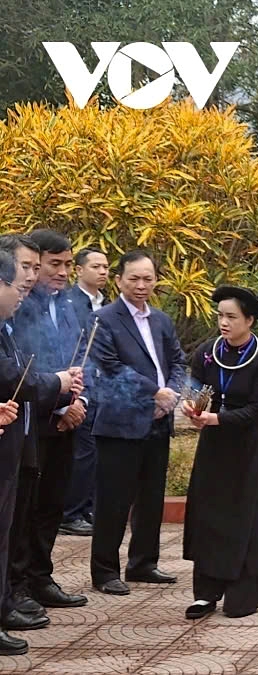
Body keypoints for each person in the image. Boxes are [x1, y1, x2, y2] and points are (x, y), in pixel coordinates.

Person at [87, 251, 188, 596]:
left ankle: (143, 563)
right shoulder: (104, 320)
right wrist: (154, 393)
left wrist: (172, 393)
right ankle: (104, 571)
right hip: (120, 423)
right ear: (118, 280)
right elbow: (111, 367)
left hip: (159, 421)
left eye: (148, 278)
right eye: (134, 278)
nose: (142, 285)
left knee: (151, 497)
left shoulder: (161, 320)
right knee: (113, 500)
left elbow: (177, 359)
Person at [181, 286, 258, 620]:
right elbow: (195, 389)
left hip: (248, 445)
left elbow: (256, 410)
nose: (223, 322)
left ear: (249, 320)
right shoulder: (208, 352)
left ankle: (244, 594)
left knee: (246, 518)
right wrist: (191, 410)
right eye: (220, 315)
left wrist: (216, 418)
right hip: (214, 445)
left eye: (231, 317)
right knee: (210, 514)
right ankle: (205, 593)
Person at [0, 249, 81, 654]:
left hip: (22, 438)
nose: (25, 286)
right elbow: (16, 377)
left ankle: (12, 597)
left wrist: (70, 394)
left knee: (25, 520)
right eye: (21, 275)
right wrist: (59, 383)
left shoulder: (19, 322)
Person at [10, 230, 89, 616]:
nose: (60, 272)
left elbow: (81, 359)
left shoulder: (72, 304)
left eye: (67, 264)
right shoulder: (17, 306)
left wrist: (79, 400)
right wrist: (57, 407)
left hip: (66, 419)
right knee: (26, 508)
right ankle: (18, 584)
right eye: (51, 265)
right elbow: (21, 373)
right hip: (34, 422)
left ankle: (42, 576)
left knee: (53, 506)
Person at [61, 247, 109, 537]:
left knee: (96, 451)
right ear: (79, 270)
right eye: (95, 266)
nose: (102, 271)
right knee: (82, 450)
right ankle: (71, 513)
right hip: (78, 385)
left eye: (105, 267)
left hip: (105, 386)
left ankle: (88, 507)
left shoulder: (108, 303)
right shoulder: (70, 303)